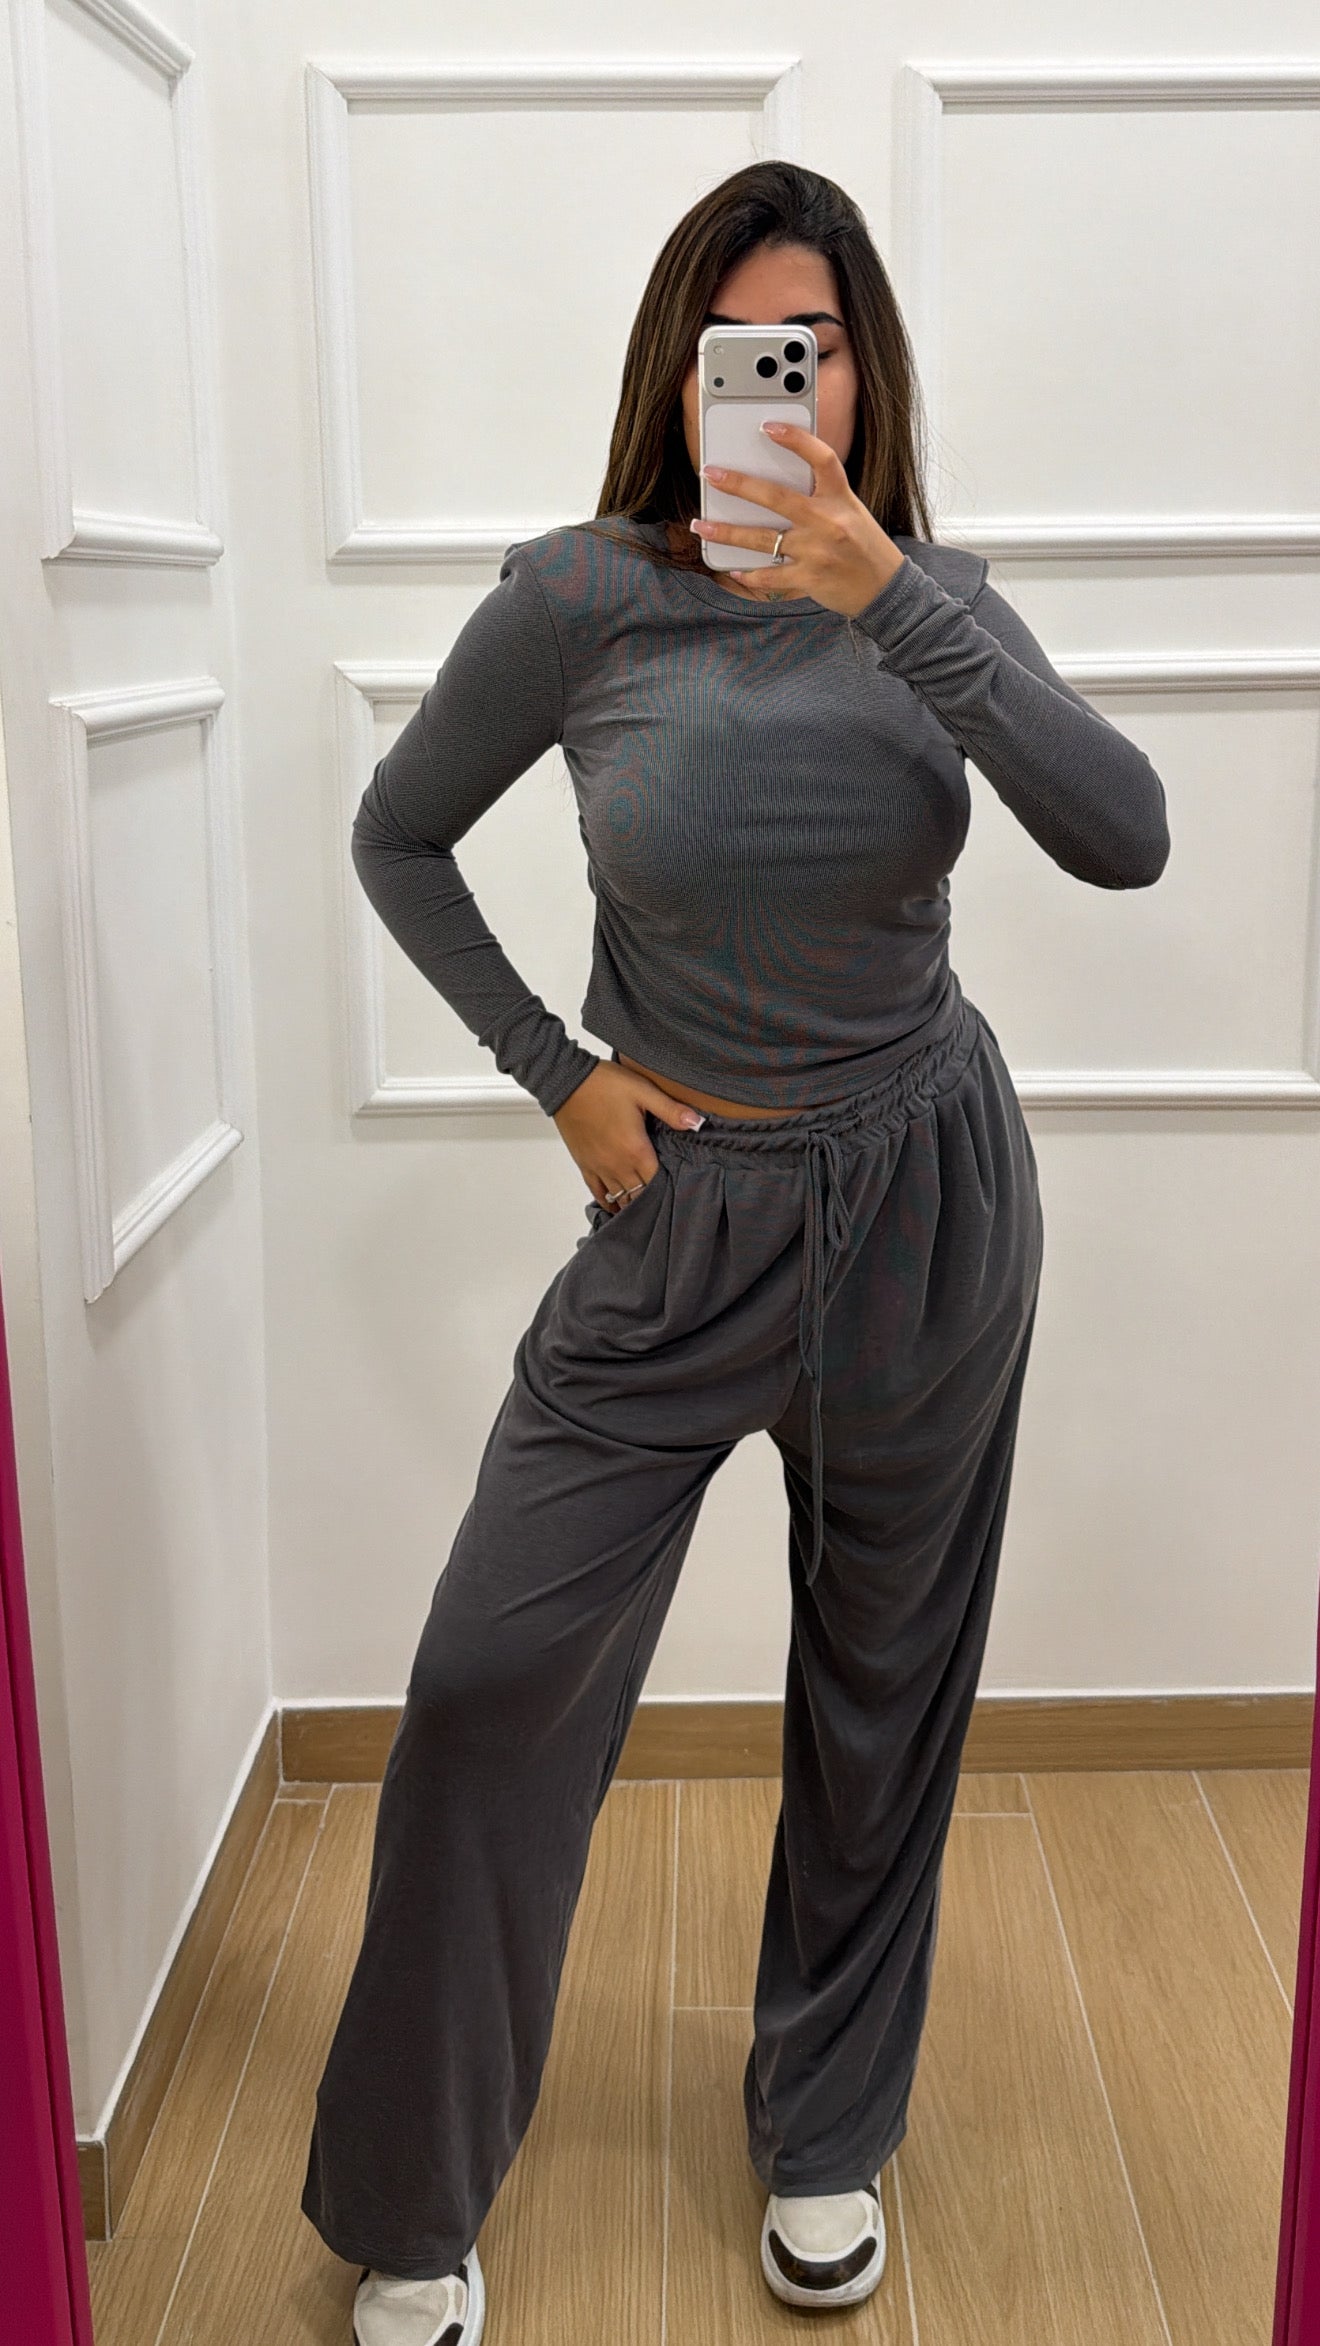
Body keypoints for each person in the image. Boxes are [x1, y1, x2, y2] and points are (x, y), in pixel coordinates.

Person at [301, 161, 1171, 2346]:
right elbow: (399, 834)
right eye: (743, 348)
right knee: (490, 1675)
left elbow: (1129, 833)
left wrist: (891, 596)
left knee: (882, 1690)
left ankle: (824, 2132)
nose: (785, 385)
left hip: (925, 1206)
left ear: (869, 378)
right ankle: (413, 2198)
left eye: (823, 347)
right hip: (672, 1220)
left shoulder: (934, 596)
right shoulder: (577, 601)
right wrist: (559, 1074)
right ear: (679, 372)